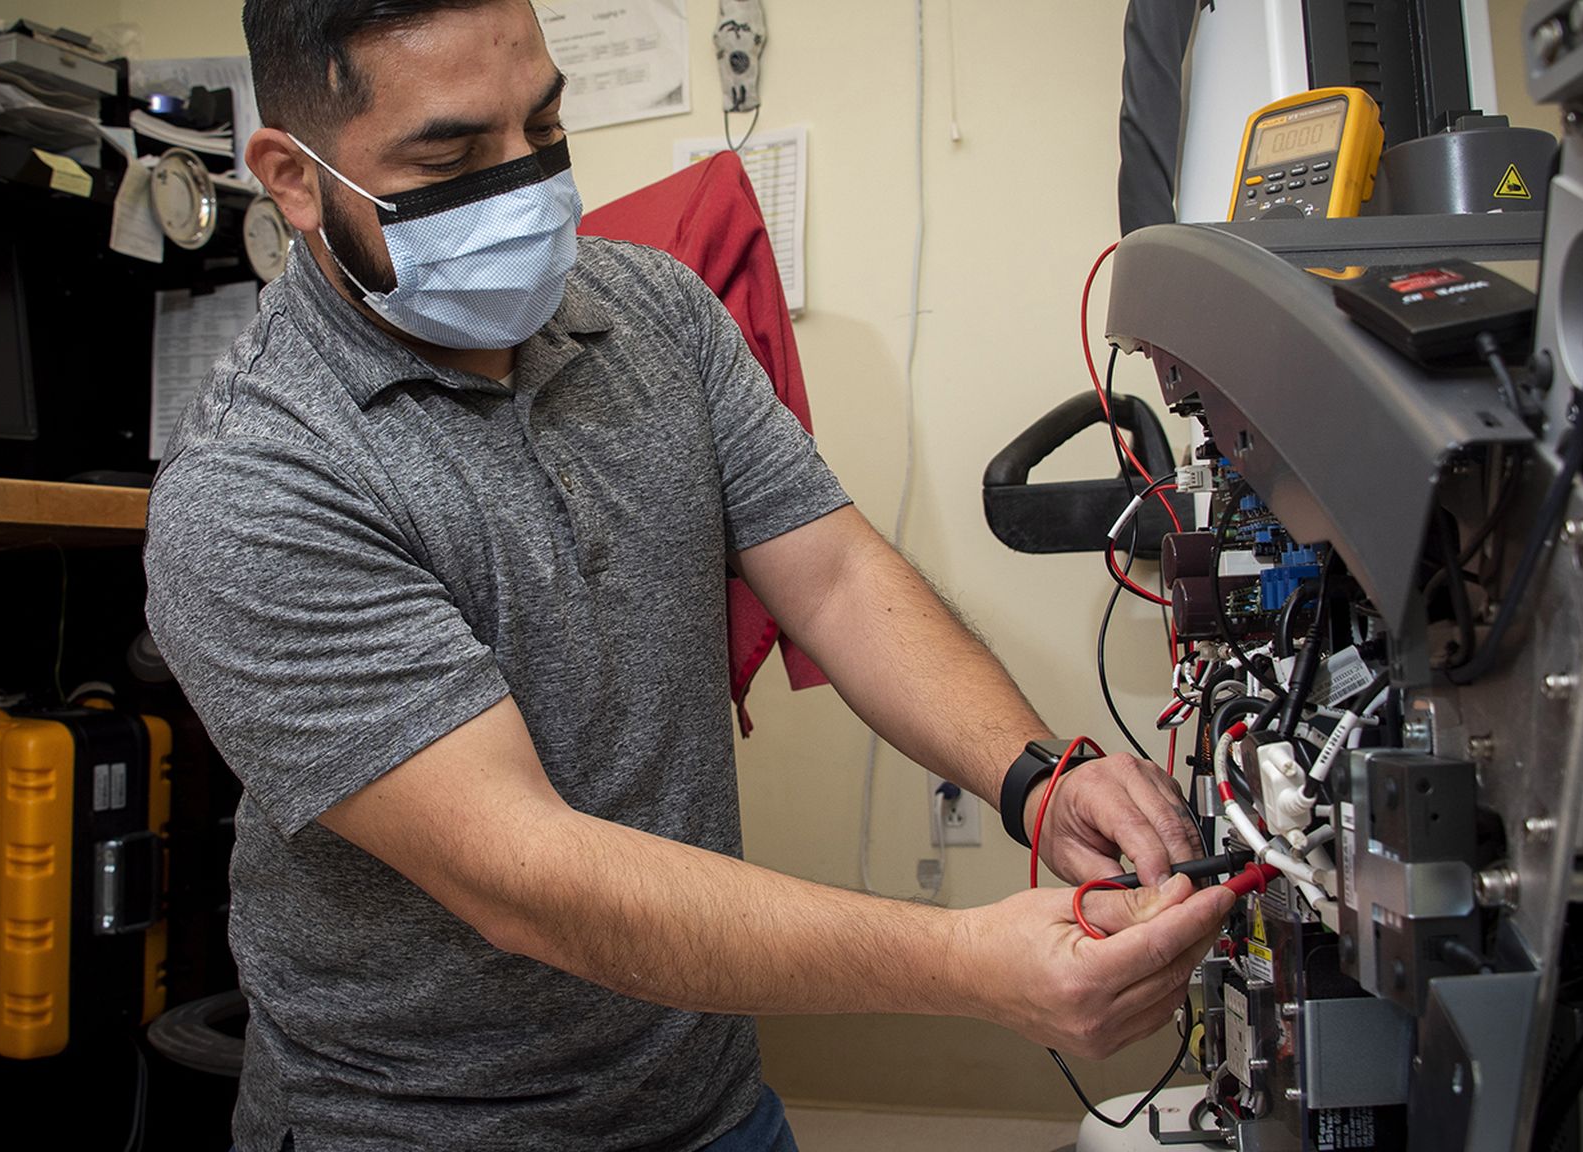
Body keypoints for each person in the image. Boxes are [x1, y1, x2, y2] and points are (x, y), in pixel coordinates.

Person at [142, 2, 1233, 1149]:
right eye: (454, 155)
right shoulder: (255, 490)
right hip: (424, 1129)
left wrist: (1037, 780)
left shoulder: (650, 308)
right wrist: (969, 963)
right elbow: (530, 876)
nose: (526, 187)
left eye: (545, 123)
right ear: (295, 179)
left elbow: (836, 579)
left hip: (706, 1102)